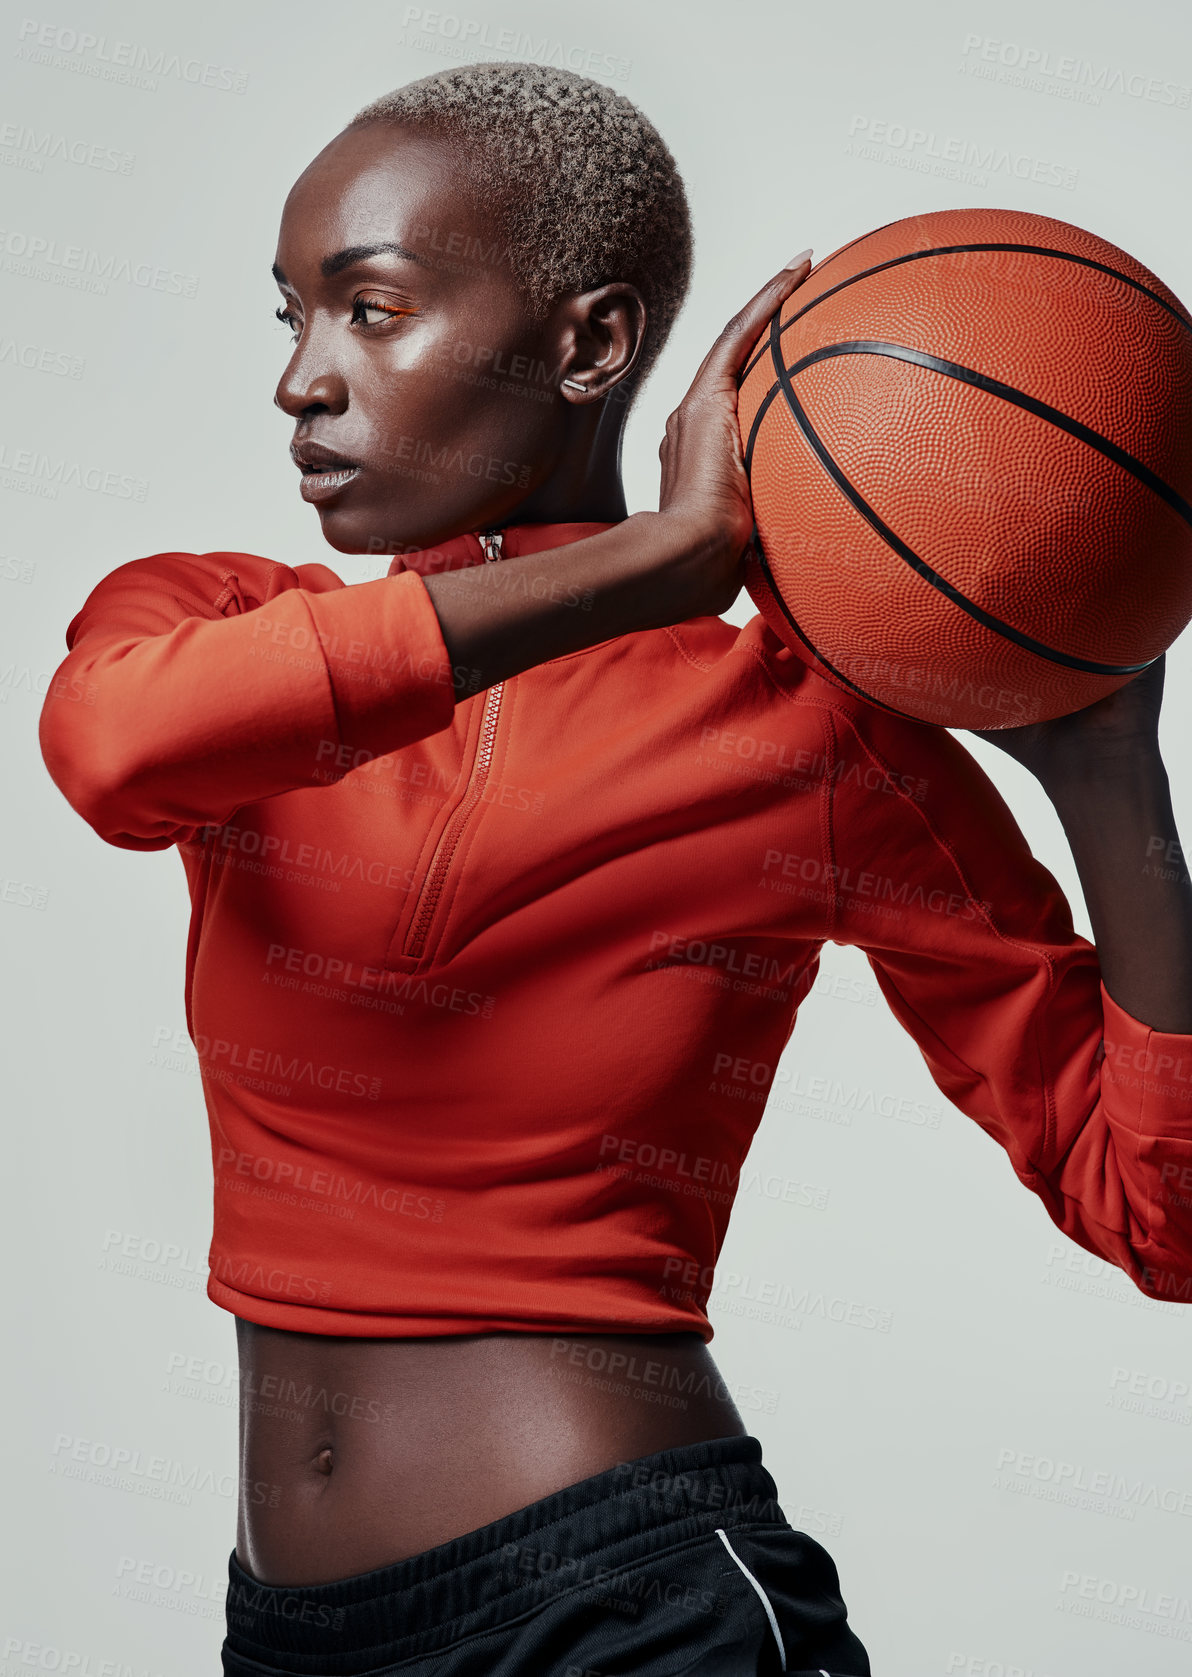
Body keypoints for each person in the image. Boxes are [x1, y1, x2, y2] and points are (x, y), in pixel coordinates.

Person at [38, 61, 1192, 1677]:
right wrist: (660, 565)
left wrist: (1118, 791)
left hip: (634, 1609)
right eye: (289, 315)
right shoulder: (217, 622)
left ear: (590, 345)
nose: (303, 379)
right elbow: (111, 753)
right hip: (294, 1635)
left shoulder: (812, 734)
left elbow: (1159, 1210)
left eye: (371, 310)